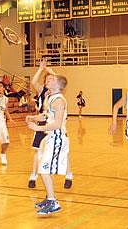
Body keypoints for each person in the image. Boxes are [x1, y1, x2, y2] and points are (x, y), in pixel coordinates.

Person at [26, 74, 69, 216]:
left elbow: (56, 124)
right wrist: (33, 117)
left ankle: (53, 202)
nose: (47, 81)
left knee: (43, 169)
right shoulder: (50, 97)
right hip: (50, 137)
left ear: (58, 85)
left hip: (57, 137)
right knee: (42, 168)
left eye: (51, 80)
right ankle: (49, 198)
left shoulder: (59, 101)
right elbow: (45, 116)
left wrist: (37, 128)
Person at [28, 60, 73, 189]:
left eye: (51, 79)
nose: (49, 80)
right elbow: (33, 82)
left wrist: (49, 70)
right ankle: (34, 176)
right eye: (47, 79)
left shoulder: (57, 97)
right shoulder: (43, 91)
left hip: (54, 127)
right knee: (38, 152)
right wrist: (41, 69)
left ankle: (68, 175)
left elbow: (59, 81)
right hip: (43, 121)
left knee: (63, 153)